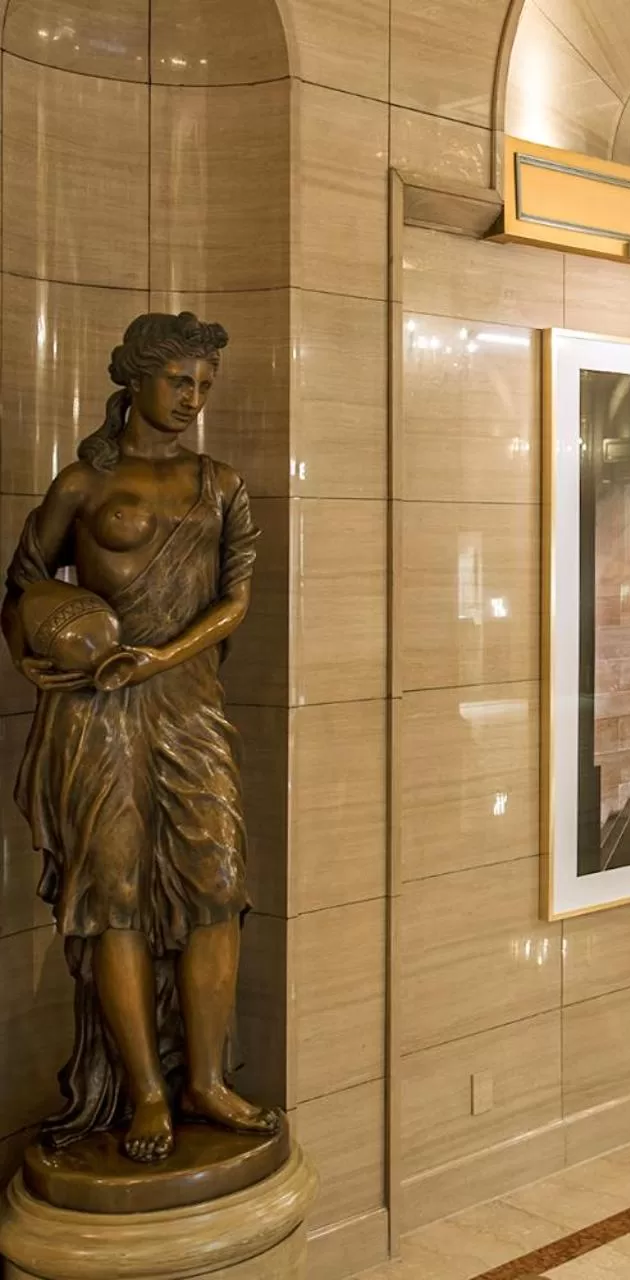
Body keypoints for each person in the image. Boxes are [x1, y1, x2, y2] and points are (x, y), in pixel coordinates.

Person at [2, 313, 280, 1164]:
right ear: (136, 380)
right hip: (95, 712)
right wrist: (34, 651)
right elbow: (22, 587)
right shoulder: (82, 483)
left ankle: (206, 1080)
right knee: (112, 896)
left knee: (217, 884)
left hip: (187, 701)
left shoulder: (220, 483)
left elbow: (235, 601)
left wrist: (159, 656)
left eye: (205, 386)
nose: (194, 399)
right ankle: (148, 1093)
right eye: (180, 382)